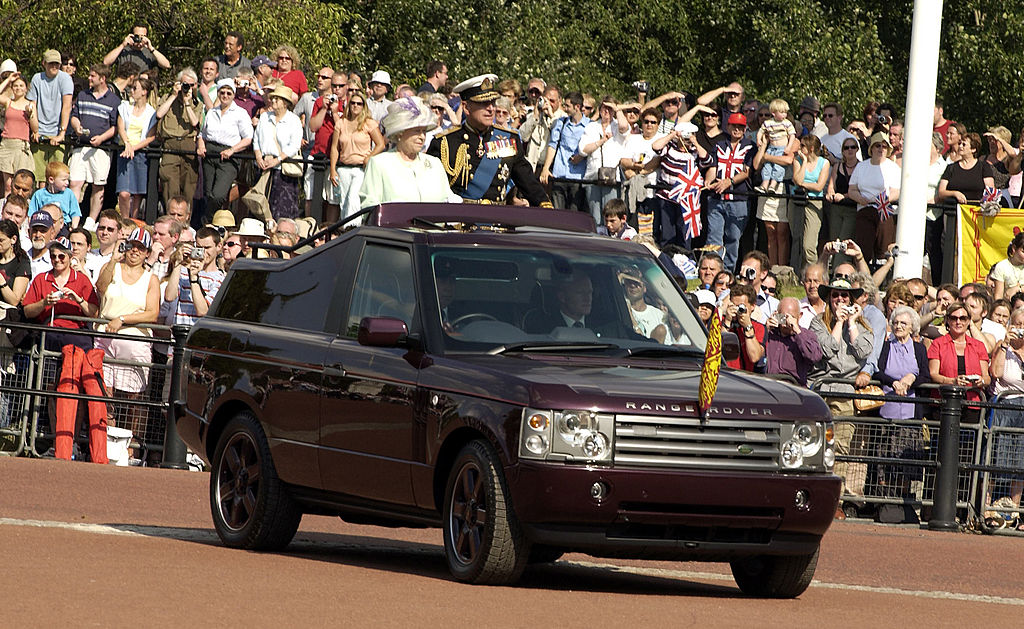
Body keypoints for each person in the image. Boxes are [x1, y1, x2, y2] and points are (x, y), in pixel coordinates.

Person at [430, 74, 550, 207]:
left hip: (497, 221)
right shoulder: (445, 142)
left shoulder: (509, 139)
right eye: (483, 103)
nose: (490, 109)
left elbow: (527, 180)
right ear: (466, 107)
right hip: (461, 220)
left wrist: (544, 204)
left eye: (492, 103)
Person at [807, 276, 874, 509]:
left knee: (842, 446)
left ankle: (835, 501)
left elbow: (863, 351)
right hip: (822, 388)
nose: (840, 299)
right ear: (828, 299)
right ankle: (816, 495)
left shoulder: (864, 326)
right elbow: (828, 349)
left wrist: (852, 323)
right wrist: (838, 322)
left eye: (844, 295)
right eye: (835, 295)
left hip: (845, 390)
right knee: (818, 444)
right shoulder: (817, 322)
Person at [94, 226, 159, 412]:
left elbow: (152, 313)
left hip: (134, 341)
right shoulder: (111, 267)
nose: (135, 250)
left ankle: (131, 440)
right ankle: (103, 438)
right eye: (132, 245)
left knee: (133, 402)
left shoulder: (151, 279)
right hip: (105, 338)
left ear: (147, 252)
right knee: (103, 395)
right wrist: (113, 260)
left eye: (140, 247)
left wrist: (122, 319)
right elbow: (100, 287)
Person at [875, 306, 930, 518]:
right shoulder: (885, 346)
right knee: (885, 457)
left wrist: (911, 379)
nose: (898, 326)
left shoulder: (919, 349)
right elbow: (878, 371)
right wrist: (895, 382)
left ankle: (903, 501)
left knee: (906, 460)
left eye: (903, 323)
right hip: (887, 409)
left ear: (912, 327)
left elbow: (925, 375)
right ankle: (885, 502)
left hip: (910, 411)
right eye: (896, 322)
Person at [360, 97, 457, 208]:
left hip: (434, 225)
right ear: (400, 133)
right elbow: (369, 205)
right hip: (393, 225)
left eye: (424, 131)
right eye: (417, 131)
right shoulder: (379, 163)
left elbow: (447, 198)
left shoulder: (434, 164)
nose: (422, 137)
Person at [22, 236, 99, 350]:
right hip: (48, 333)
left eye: (61, 256)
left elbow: (94, 313)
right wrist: (44, 303)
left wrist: (79, 300)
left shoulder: (82, 280)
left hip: (76, 334)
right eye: (53, 256)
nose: (57, 259)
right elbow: (27, 312)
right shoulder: (41, 279)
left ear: (70, 257)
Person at [67, 64, 119, 229]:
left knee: (98, 185)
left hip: (102, 149)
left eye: (93, 76)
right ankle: (73, 219)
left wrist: (102, 138)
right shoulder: (83, 95)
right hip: (81, 147)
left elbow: (116, 126)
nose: (89, 78)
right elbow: (74, 117)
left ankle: (90, 221)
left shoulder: (114, 101)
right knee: (75, 183)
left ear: (102, 79)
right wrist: (77, 128)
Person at [988, 307, 1024, 530]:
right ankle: (988, 507)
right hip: (1005, 404)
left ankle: (1014, 511)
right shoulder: (1003, 346)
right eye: (1018, 325)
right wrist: (1004, 344)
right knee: (996, 457)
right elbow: (996, 373)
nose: (1021, 330)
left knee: (1021, 460)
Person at [196, 79, 253, 221]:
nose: (225, 96)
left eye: (229, 93)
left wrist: (232, 150)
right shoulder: (211, 112)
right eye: (222, 92)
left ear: (233, 95)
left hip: (229, 157)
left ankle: (207, 221)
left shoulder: (240, 113)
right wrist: (201, 145)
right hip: (210, 154)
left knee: (218, 195)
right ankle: (213, 225)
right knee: (208, 193)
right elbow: (202, 133)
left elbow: (248, 138)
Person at [705, 112, 755, 269]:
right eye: (734, 126)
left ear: (745, 129)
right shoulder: (719, 145)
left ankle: (727, 272)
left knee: (733, 238)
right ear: (728, 126)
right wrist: (708, 180)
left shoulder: (750, 147)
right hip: (717, 198)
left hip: (738, 199)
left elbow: (747, 172)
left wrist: (729, 181)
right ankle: (712, 270)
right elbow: (713, 167)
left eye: (740, 127)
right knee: (714, 237)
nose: (737, 130)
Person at [328, 89, 385, 222]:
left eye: (359, 104)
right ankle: (345, 231)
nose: (355, 106)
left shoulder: (369, 123)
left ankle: (352, 229)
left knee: (353, 199)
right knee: (344, 203)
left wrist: (369, 157)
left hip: (361, 168)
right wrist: (332, 169)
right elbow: (334, 148)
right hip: (344, 167)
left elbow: (380, 144)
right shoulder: (341, 123)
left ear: (363, 106)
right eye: (353, 103)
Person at [848, 131, 901, 262]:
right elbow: (852, 189)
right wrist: (860, 199)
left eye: (884, 146)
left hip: (885, 210)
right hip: (864, 209)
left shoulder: (893, 167)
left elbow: (896, 192)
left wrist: (882, 200)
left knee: (884, 250)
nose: (881, 149)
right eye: (877, 145)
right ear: (872, 148)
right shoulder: (861, 166)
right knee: (863, 248)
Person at [253, 85, 303, 220]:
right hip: (263, 167)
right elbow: (256, 138)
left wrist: (277, 159)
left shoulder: (294, 121)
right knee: (260, 206)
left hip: (283, 169)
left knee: (282, 209)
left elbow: (294, 145)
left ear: (285, 103)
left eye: (277, 99)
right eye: (273, 98)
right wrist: (258, 157)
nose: (273, 101)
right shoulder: (264, 118)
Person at [928, 302, 990, 407]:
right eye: (953, 318)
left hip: (972, 402)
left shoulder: (978, 346)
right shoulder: (938, 344)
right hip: (944, 402)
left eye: (963, 318)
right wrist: (952, 381)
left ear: (969, 321)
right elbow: (933, 374)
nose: (958, 322)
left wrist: (981, 381)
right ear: (947, 320)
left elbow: (987, 378)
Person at [26, 50, 74, 181]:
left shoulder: (65, 79)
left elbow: (67, 106)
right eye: (51, 63)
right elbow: (32, 106)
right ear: (44, 63)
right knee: (39, 178)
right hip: (40, 132)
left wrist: (61, 133)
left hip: (58, 133)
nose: (54, 67)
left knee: (58, 177)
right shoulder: (37, 78)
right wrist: (35, 130)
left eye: (57, 64)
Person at [165, 226, 224, 325]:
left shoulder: (220, 278)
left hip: (200, 336)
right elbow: (170, 297)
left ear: (219, 247)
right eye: (199, 248)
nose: (203, 252)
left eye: (207, 248)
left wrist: (194, 278)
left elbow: (203, 311)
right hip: (179, 334)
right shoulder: (183, 272)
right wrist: (178, 263)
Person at [115, 78, 157, 219]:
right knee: (124, 193)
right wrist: (127, 144)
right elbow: (120, 127)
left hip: (140, 153)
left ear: (144, 92)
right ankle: (125, 220)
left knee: (138, 192)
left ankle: (134, 220)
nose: (131, 91)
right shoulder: (125, 107)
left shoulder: (151, 112)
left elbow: (151, 136)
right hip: (124, 151)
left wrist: (134, 147)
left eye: (135, 88)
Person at [764, 296, 822, 386]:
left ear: (800, 316)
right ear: (776, 314)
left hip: (793, 387)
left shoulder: (807, 335)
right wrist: (765, 331)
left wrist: (797, 332)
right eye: (782, 316)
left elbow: (815, 357)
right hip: (768, 385)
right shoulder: (770, 333)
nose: (786, 321)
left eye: (791, 317)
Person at [792, 134, 830, 267]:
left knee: (809, 245)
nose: (799, 148)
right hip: (796, 200)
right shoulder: (798, 160)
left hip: (814, 202)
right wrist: (804, 163)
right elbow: (797, 180)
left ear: (811, 148)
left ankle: (814, 273)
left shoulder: (824, 163)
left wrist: (802, 184)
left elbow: (819, 186)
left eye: (802, 145)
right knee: (796, 240)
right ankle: (798, 274)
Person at [0, 72, 37, 196]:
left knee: (21, 185)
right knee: (8, 185)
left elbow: (35, 128)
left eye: (21, 85)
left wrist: (30, 114)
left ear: (26, 88)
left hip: (21, 146)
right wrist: (9, 79)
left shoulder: (30, 104)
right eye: (15, 86)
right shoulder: (8, 102)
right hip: (7, 145)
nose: (18, 88)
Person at [936, 132, 995, 206]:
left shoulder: (984, 167)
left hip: (976, 212)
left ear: (973, 149)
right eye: (959, 143)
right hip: (953, 211)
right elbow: (941, 192)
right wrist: (955, 193)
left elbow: (990, 192)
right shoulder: (951, 168)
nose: (960, 146)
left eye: (964, 144)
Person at [755, 99, 796, 194]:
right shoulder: (768, 123)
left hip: (781, 149)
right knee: (767, 166)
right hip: (771, 148)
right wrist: (759, 140)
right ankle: (764, 185)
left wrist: (789, 147)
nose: (784, 114)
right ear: (773, 113)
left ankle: (773, 185)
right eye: (782, 112)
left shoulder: (787, 123)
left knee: (778, 167)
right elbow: (760, 131)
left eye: (785, 112)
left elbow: (792, 135)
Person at [721, 282, 765, 372]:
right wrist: (727, 322)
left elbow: (754, 357)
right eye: (734, 305)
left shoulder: (759, 327)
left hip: (746, 377)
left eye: (741, 306)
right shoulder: (720, 323)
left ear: (752, 306)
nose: (737, 310)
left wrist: (747, 327)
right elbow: (717, 350)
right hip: (725, 373)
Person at [620, 266, 667, 342]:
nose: (632, 286)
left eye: (636, 283)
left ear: (644, 288)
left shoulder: (659, 315)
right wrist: (621, 276)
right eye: (629, 282)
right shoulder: (621, 312)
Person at [29, 161, 81, 228]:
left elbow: (75, 213)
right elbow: (32, 214)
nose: (67, 182)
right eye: (64, 180)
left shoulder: (69, 193)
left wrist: (74, 226)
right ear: (51, 180)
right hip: (44, 225)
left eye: (67, 179)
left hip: (63, 225)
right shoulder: (39, 194)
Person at [102, 24, 170, 71]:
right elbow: (105, 62)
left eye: (142, 36)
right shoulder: (124, 51)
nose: (139, 39)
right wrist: (122, 45)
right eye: (137, 36)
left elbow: (167, 65)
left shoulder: (150, 53)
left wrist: (151, 48)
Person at [0, 218, 30, 306]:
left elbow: (14, 301)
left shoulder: (22, 262)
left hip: (9, 315)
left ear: (13, 239)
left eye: (1, 240)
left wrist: (1, 281)